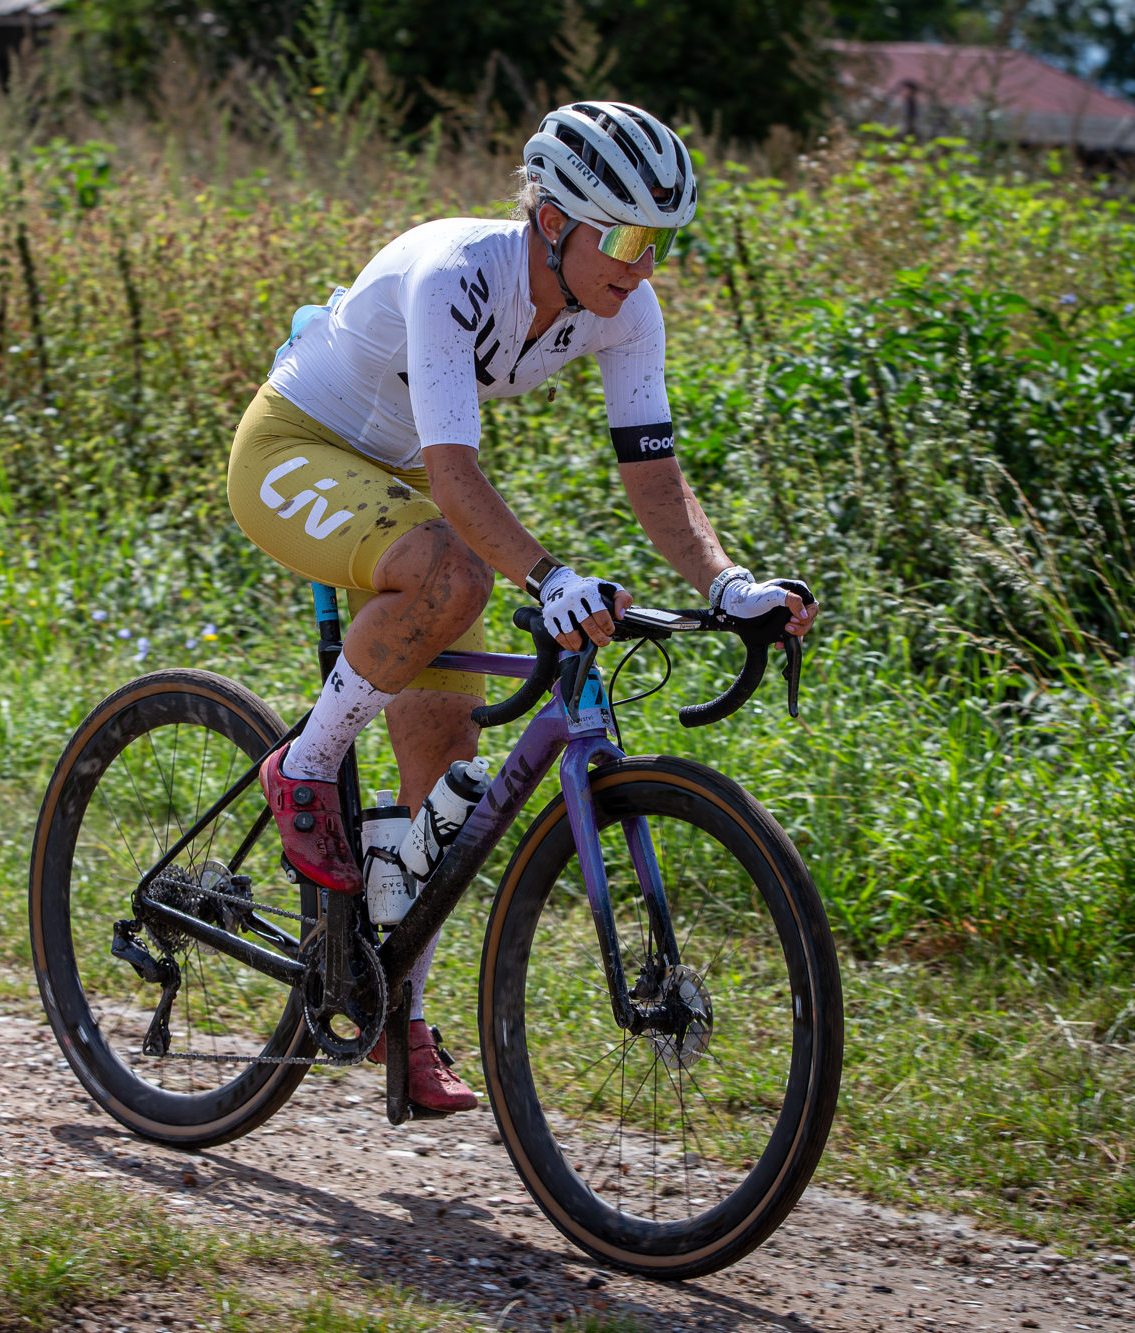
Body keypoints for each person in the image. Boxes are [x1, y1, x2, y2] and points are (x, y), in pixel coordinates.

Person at [226, 101, 817, 1114]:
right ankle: (304, 766)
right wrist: (549, 578)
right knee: (456, 574)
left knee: (444, 775)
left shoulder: (626, 308)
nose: (642, 265)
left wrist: (728, 585)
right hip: (298, 447)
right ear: (552, 221)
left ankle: (397, 1016)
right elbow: (457, 474)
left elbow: (654, 478)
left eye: (661, 242)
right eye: (624, 239)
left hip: (400, 481)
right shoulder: (456, 272)